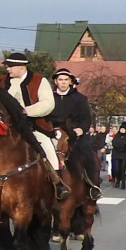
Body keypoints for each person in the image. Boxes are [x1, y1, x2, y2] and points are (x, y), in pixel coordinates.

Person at [0, 52, 67, 200]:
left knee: (49, 152)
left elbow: (48, 104)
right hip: (7, 128)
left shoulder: (39, 81)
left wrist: (26, 111)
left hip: (34, 127)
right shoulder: (2, 82)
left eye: (10, 66)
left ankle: (58, 185)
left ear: (21, 67)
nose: (8, 70)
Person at [49, 68, 97, 196]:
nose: (63, 83)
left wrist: (81, 129)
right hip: (53, 133)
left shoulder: (80, 98)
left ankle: (92, 186)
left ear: (70, 81)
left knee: (88, 155)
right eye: (60, 80)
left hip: (74, 133)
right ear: (55, 81)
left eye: (66, 80)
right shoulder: (49, 97)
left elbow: (86, 117)